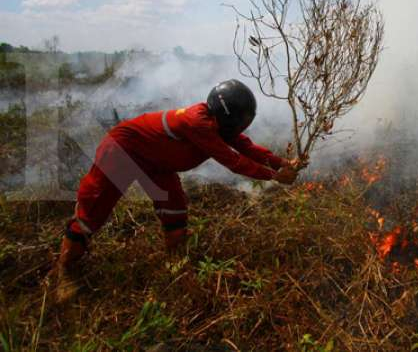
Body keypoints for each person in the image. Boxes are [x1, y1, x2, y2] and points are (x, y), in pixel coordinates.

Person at [48, 79, 303, 302]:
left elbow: (247, 148)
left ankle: (175, 265)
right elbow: (234, 161)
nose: (240, 129)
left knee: (175, 210)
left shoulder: (220, 125)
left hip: (157, 162)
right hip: (122, 152)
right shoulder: (198, 123)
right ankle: (65, 271)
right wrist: (275, 176)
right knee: (92, 213)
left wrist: (282, 163)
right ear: (228, 117)